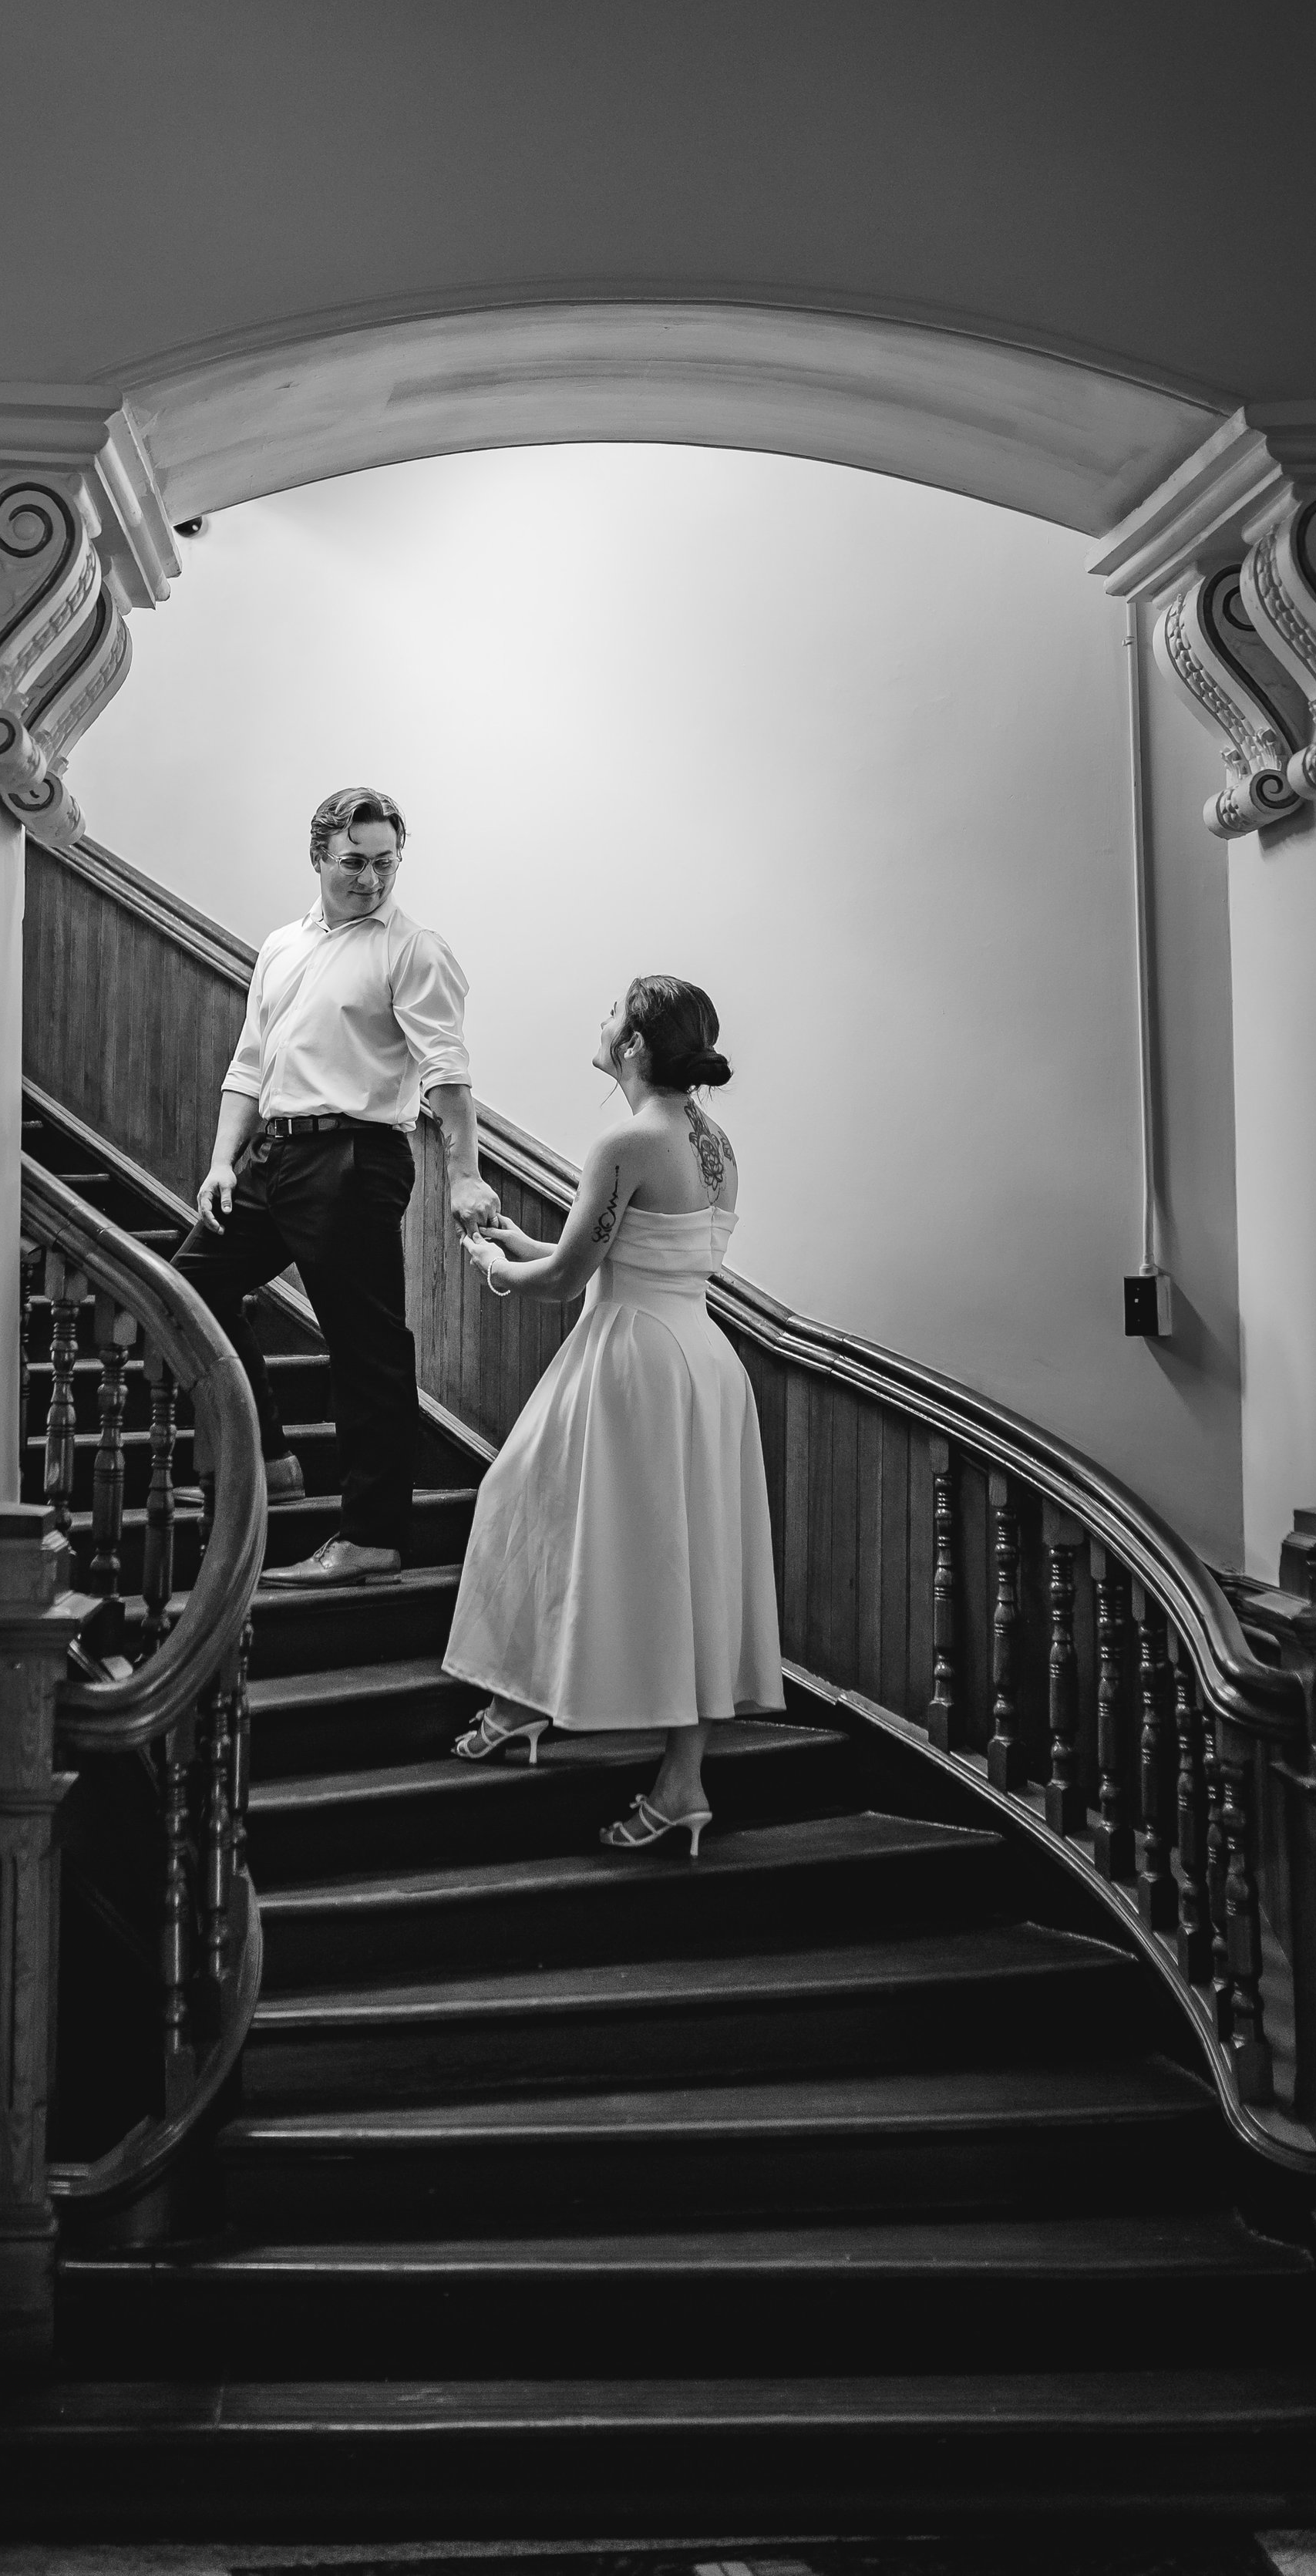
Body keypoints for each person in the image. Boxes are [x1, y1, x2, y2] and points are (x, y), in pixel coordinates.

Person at [442, 975, 783, 1852]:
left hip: (633, 1355)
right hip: (698, 1358)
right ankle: (636, 1757)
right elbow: (620, 1251)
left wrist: (494, 1266)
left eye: (611, 1015)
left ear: (632, 1045)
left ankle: (558, 1722)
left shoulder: (625, 1141)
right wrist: (524, 1245)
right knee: (684, 1558)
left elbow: (565, 1280)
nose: (600, 1023)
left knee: (524, 1498)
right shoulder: (712, 1141)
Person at [177, 785, 500, 1590]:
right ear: (318, 855)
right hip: (272, 1155)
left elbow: (447, 1073)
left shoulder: (412, 950)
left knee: (366, 1350)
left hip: (357, 1158)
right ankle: (268, 1455)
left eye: (386, 862)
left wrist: (466, 1174)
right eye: (354, 861)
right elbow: (250, 1063)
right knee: (187, 1289)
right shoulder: (281, 946)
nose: (371, 878)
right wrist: (222, 1161)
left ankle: (370, 1538)